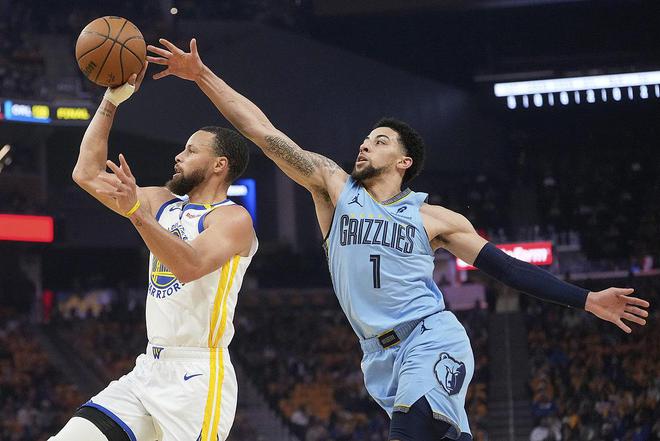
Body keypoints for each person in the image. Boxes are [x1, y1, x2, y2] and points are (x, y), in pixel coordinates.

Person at [146, 38, 650, 441]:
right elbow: (261, 131)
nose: (365, 144)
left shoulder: (435, 219)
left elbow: (506, 268)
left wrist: (587, 300)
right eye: (366, 139)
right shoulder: (334, 188)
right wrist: (202, 75)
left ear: (404, 161)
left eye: (380, 141)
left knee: (408, 431)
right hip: (378, 357)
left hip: (431, 337)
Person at [49, 61, 258, 441]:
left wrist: (136, 212)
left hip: (197, 377)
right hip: (149, 368)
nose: (178, 156)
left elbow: (188, 266)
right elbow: (86, 173)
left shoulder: (232, 219)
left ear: (219, 165)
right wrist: (111, 101)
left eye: (190, 150)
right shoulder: (161, 202)